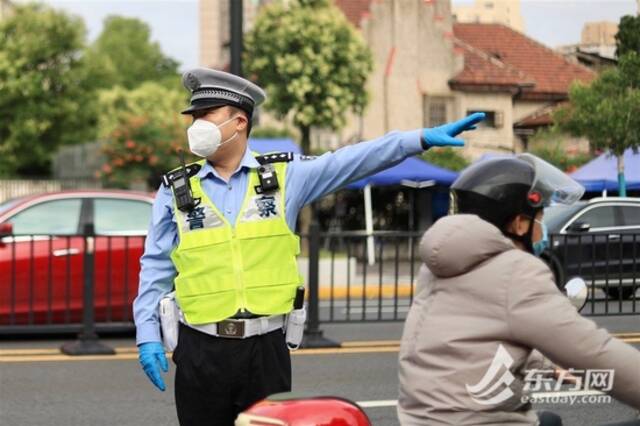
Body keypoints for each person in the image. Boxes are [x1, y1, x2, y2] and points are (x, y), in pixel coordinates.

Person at [132, 67, 485, 426]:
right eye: (193, 117)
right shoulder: (176, 189)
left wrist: (419, 138)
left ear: (239, 121)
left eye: (206, 115)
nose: (195, 125)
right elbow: (156, 266)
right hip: (199, 350)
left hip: (265, 349)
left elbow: (353, 160)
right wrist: (147, 335)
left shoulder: (286, 176)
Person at [397, 154, 640, 426]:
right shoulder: (516, 271)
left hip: (420, 420)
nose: (543, 229)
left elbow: (475, 344)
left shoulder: (437, 267)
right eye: (540, 217)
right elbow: (594, 352)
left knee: (549, 420)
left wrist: (549, 367)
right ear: (519, 224)